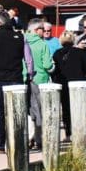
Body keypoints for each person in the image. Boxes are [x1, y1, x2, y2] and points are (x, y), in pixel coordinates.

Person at [0, 12, 33, 154]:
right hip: (17, 80)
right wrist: (30, 75)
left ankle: (0, 145)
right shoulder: (21, 37)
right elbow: (29, 60)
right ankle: (18, 144)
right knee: (17, 113)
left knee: (0, 114)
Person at [51, 30, 86, 140]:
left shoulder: (57, 53)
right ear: (73, 40)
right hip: (78, 84)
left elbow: (54, 72)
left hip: (63, 85)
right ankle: (80, 132)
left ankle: (69, 134)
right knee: (79, 109)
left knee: (66, 110)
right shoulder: (80, 53)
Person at [25, 18, 54, 151]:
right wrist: (53, 66)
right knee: (40, 111)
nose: (44, 31)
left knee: (29, 110)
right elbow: (47, 65)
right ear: (37, 30)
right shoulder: (42, 44)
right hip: (40, 79)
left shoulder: (23, 41)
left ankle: (28, 138)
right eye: (42, 28)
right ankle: (39, 139)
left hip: (26, 79)